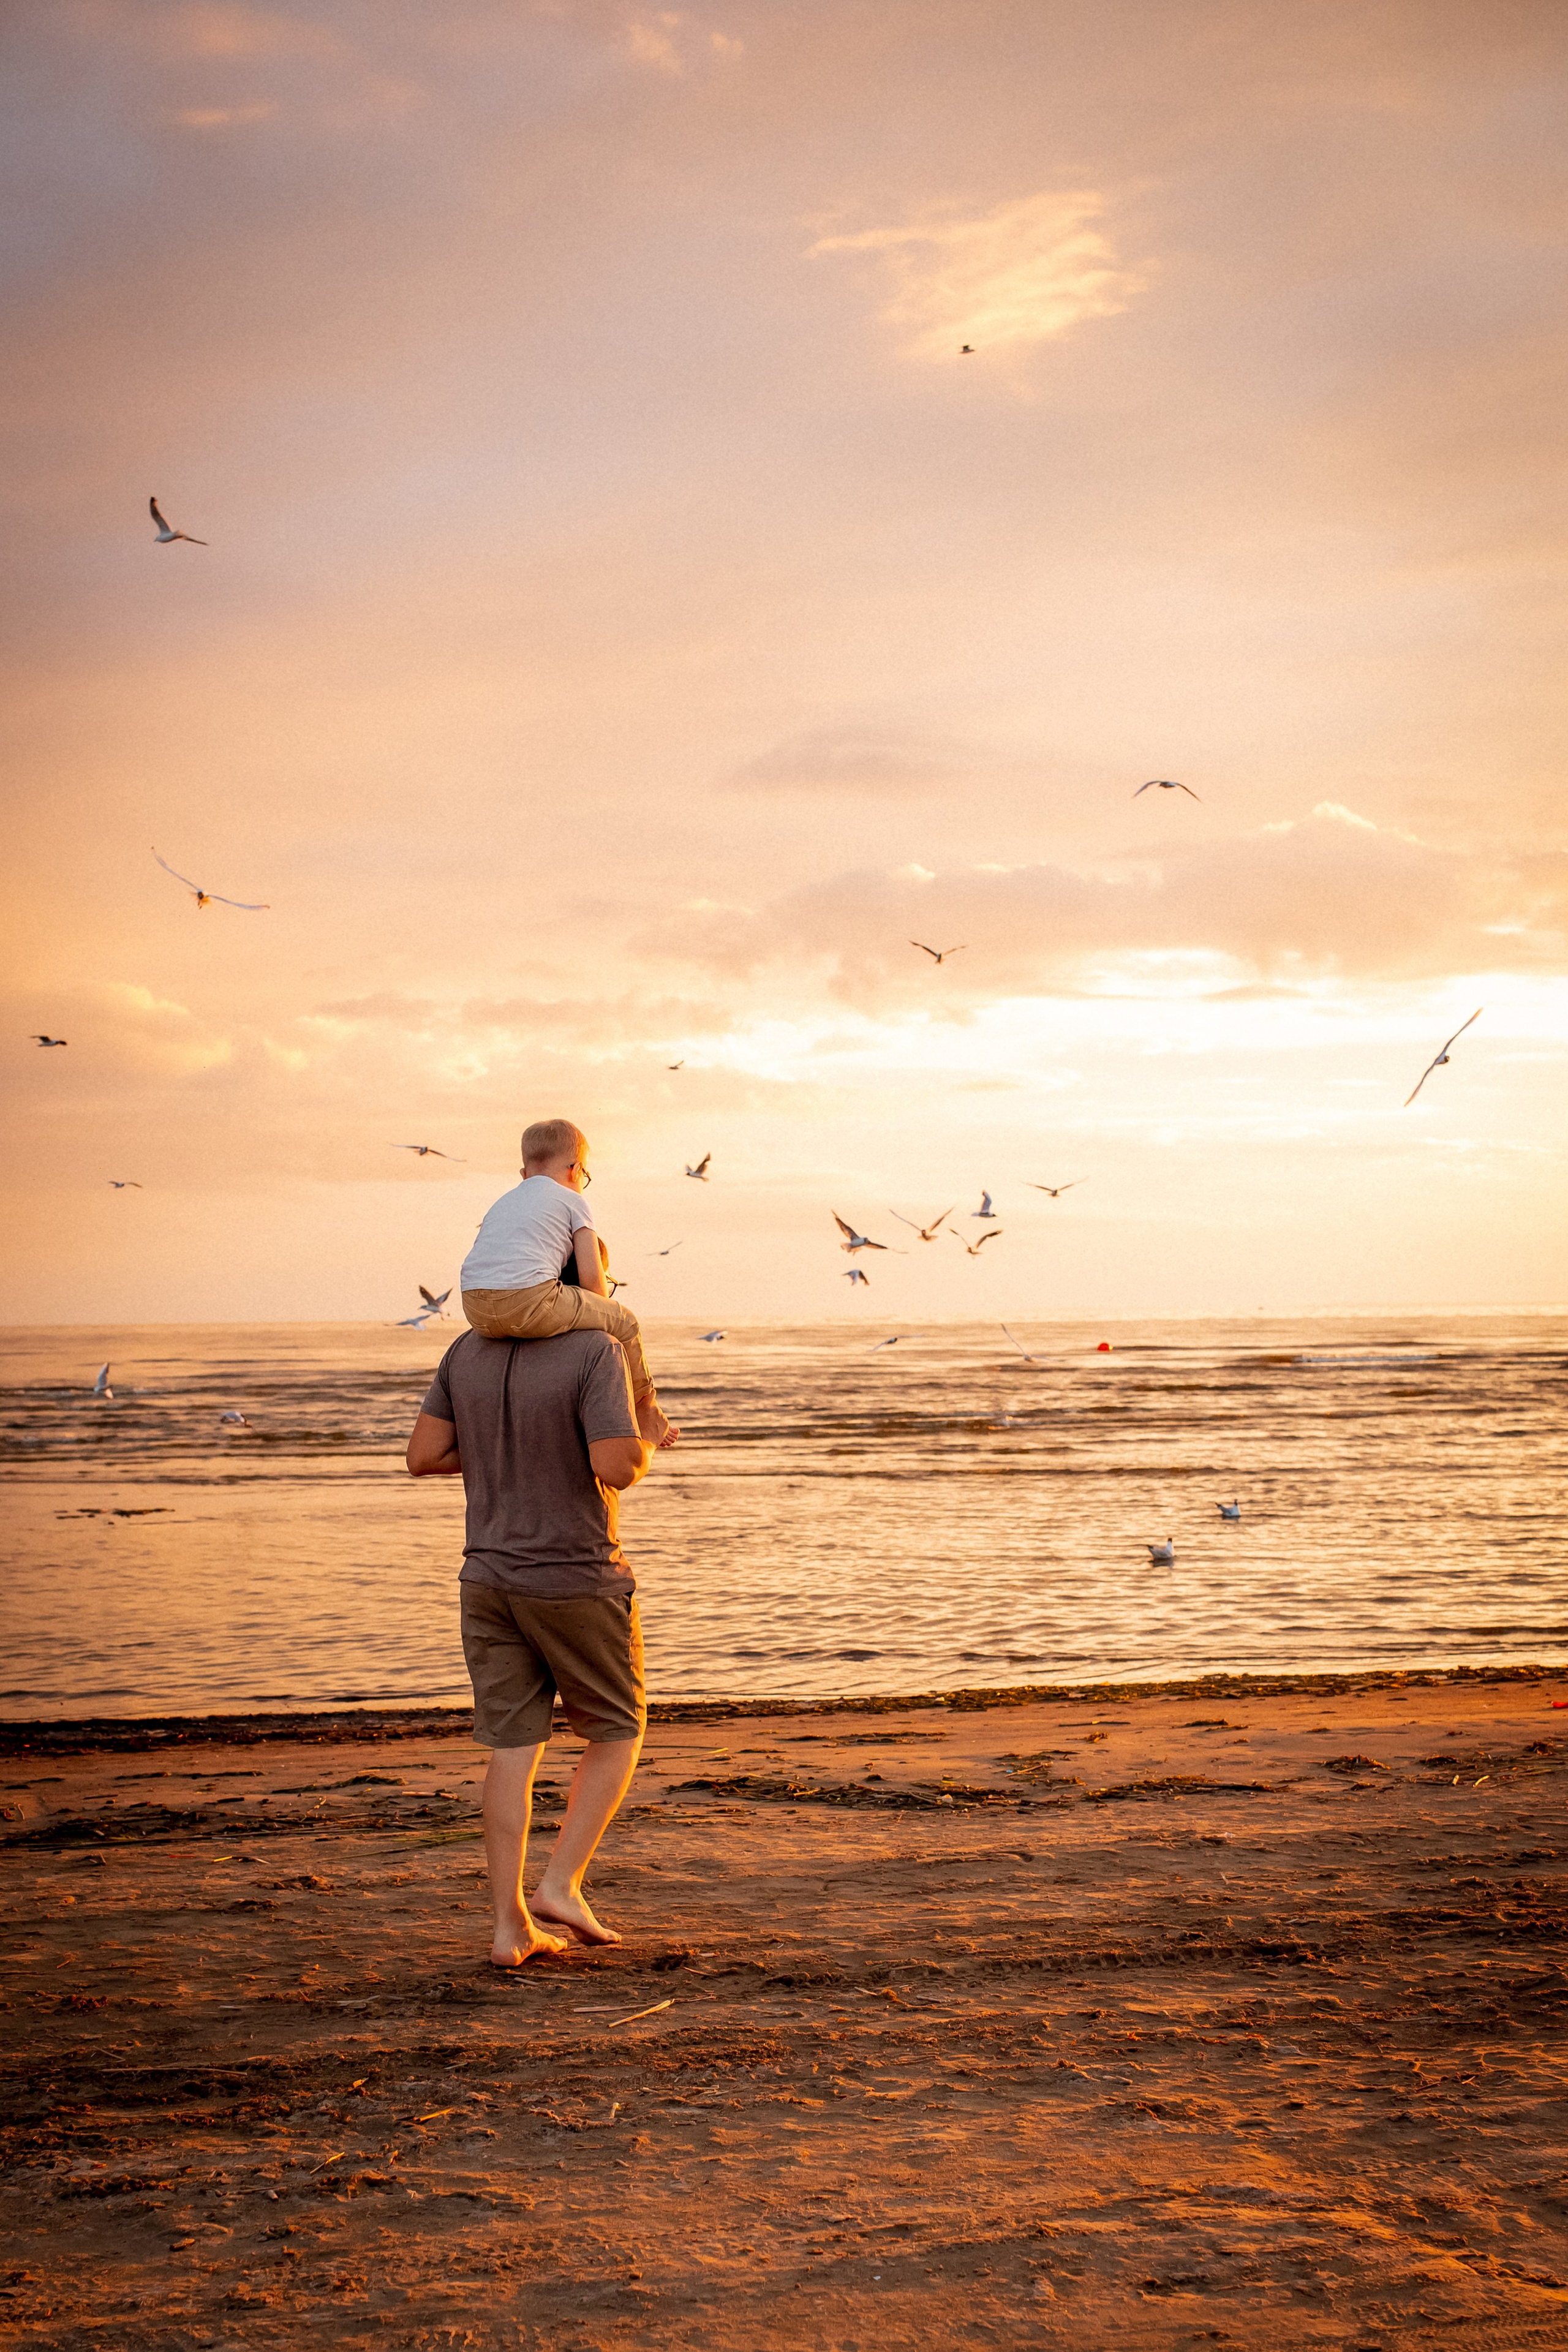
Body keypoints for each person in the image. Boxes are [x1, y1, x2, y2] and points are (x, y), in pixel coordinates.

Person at [405, 1314, 656, 1964]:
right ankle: (560, 1886)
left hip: (487, 1578)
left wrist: (507, 1452)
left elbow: (423, 1455)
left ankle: (508, 1928)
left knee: (513, 1748)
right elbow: (618, 1467)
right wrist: (649, 1439)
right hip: (573, 1574)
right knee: (616, 1731)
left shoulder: (466, 1349)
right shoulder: (595, 1349)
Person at [461, 1117, 677, 1450]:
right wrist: (601, 1320)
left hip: (475, 1308)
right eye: (585, 1176)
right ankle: (646, 1412)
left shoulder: (501, 1204)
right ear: (577, 1170)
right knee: (626, 1320)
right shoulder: (575, 1201)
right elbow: (592, 1283)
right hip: (529, 1299)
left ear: (524, 1174)